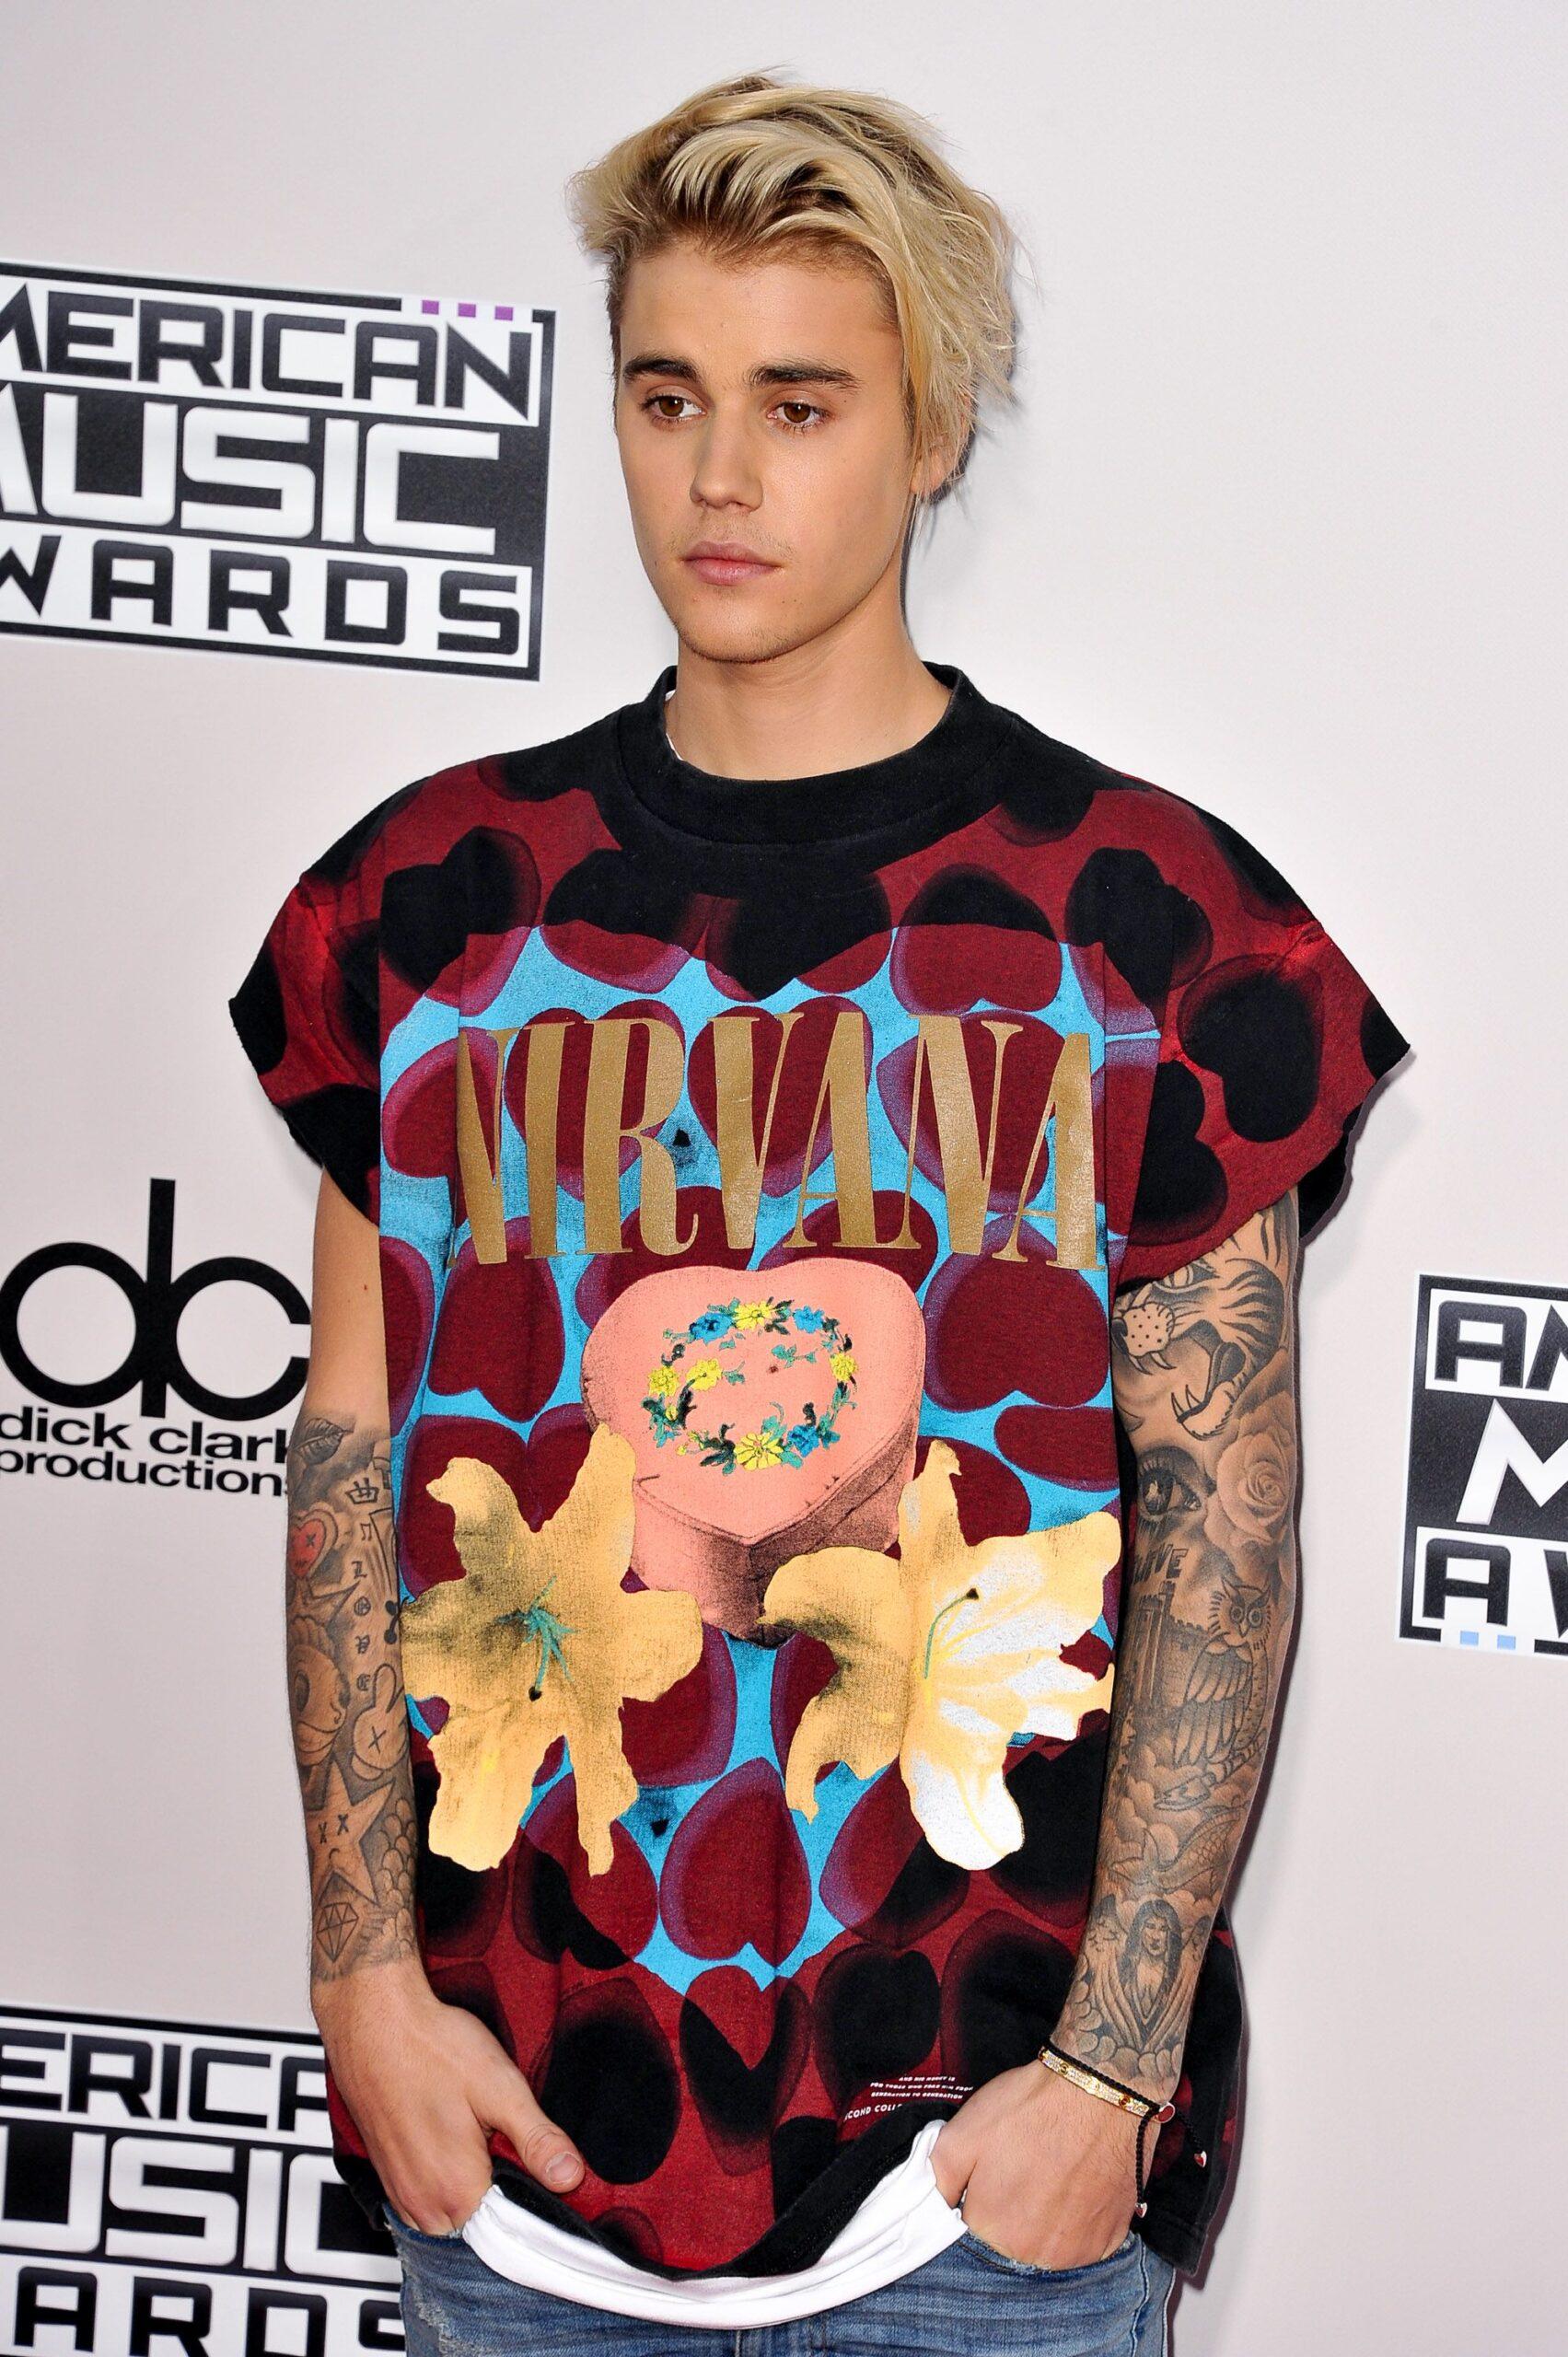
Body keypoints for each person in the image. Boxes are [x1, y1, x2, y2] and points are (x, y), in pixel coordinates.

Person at [229, 68, 1412, 2357]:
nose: (720, 476)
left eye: (800, 403)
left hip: (981, 2184)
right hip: (522, 2154)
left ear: (932, 428)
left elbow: (1227, 1518)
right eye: (666, 394)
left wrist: (1113, 2073)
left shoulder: (1153, 928)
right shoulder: (429, 907)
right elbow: (350, 1457)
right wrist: (361, 1977)